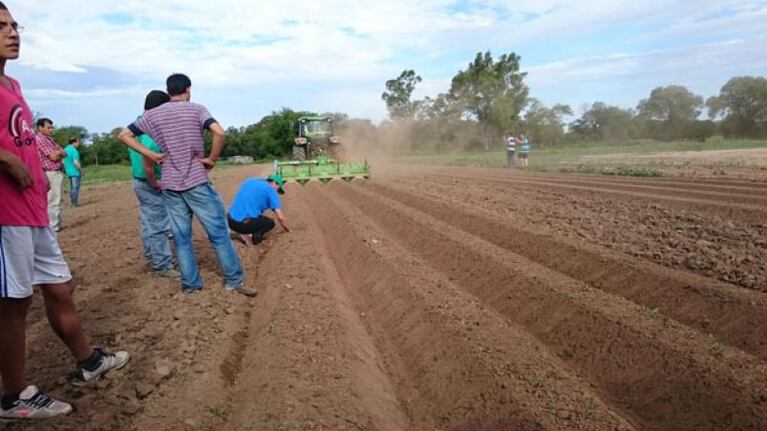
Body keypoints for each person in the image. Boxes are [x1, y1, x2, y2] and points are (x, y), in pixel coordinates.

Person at [0, 2, 129, 420]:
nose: (13, 32)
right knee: (12, 305)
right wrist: (7, 159)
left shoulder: (12, 85)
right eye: (1, 26)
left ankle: (89, 360)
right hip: (5, 215)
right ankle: (15, 396)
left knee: (60, 287)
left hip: (32, 210)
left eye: (14, 24)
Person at [118, 73, 254, 297]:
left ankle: (191, 285)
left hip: (170, 185)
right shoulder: (197, 109)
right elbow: (219, 132)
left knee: (181, 238)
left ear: (168, 90)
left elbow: (124, 135)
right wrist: (211, 159)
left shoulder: (153, 115)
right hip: (196, 181)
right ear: (188, 89)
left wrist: (150, 153)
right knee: (219, 234)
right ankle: (234, 280)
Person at [129, 90, 179, 278]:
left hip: (138, 180)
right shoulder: (152, 126)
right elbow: (149, 155)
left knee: (148, 223)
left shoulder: (136, 123)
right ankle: (162, 265)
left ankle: (152, 258)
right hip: (150, 182)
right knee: (159, 225)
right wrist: (155, 181)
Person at [227, 174, 289, 246]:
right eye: (278, 189)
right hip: (242, 225)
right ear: (275, 183)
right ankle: (252, 238)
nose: (277, 191)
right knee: (270, 223)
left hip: (230, 221)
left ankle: (244, 232)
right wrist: (288, 229)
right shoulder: (270, 190)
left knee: (256, 216)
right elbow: (280, 217)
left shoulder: (250, 181)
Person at [35, 117, 66, 231]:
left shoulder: (49, 139)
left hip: (57, 172)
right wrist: (59, 152)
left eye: (52, 127)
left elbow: (64, 151)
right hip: (50, 172)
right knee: (53, 199)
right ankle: (53, 226)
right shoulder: (40, 140)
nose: (51, 129)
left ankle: (56, 223)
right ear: (40, 127)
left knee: (58, 198)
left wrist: (59, 152)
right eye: (48, 127)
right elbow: (53, 156)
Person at [61, 137, 82, 207]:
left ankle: (73, 202)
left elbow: (63, 161)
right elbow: (76, 162)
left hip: (68, 172)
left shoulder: (65, 150)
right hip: (75, 172)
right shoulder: (74, 150)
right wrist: (81, 170)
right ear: (74, 142)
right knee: (75, 188)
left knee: (72, 187)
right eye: (78, 142)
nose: (79, 144)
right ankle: (74, 203)